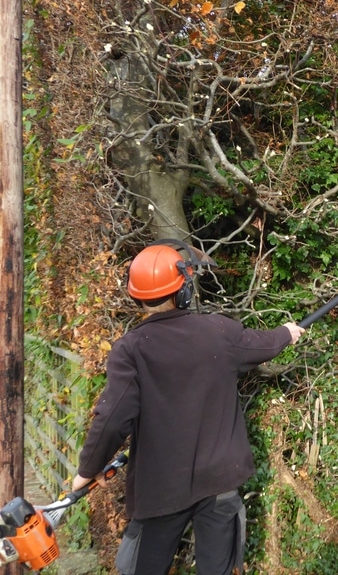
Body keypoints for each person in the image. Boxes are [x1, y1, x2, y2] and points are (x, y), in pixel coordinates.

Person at [71, 243, 305, 575]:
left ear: (137, 297)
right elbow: (263, 344)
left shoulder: (130, 349)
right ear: (184, 289)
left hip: (160, 490)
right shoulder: (219, 332)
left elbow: (112, 419)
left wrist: (87, 469)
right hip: (219, 482)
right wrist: (287, 333)